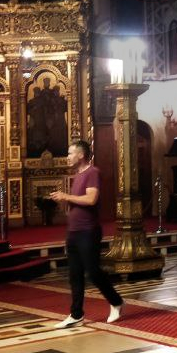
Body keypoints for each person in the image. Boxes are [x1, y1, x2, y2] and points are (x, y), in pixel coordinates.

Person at [51, 139, 123, 327]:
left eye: (70, 153)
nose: (67, 157)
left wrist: (66, 196)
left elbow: (91, 199)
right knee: (74, 274)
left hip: (88, 231)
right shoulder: (78, 175)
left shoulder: (93, 172)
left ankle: (116, 301)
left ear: (81, 155)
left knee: (93, 271)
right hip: (74, 232)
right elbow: (79, 201)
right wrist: (65, 201)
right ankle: (76, 314)